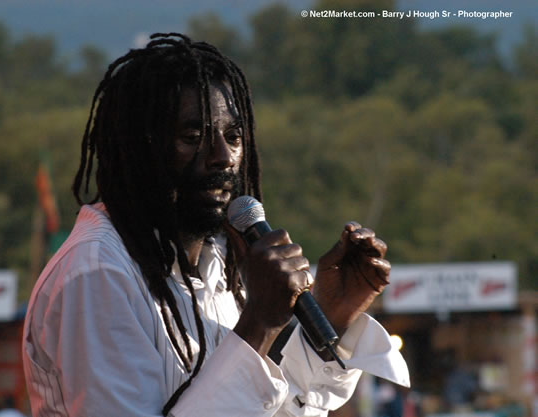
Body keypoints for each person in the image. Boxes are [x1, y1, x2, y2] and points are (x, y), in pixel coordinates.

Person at [22, 33, 409, 416]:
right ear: (140, 147)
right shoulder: (98, 273)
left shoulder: (220, 264)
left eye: (233, 136)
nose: (223, 157)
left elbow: (276, 410)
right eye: (193, 137)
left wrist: (333, 315)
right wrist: (258, 324)